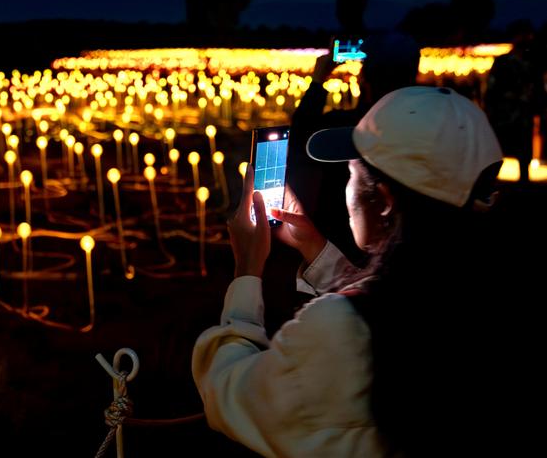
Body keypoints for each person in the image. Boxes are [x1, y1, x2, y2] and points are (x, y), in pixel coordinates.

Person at [192, 86, 504, 457]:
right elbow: (397, 297)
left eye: (351, 173)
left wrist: (246, 269)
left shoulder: (339, 332)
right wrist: (316, 250)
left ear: (384, 201)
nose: (347, 186)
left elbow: (229, 396)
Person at [289, 31, 420, 262]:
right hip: (407, 244)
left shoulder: (346, 126)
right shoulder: (427, 126)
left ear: (364, 78)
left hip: (342, 246)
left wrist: (319, 79)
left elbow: (300, 135)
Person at [485, 19, 544, 184]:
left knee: (524, 153)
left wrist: (537, 107)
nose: (527, 38)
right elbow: (492, 90)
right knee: (498, 152)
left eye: (528, 35)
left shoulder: (533, 63)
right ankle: (491, 184)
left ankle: (523, 185)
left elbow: (539, 91)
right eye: (523, 35)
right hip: (504, 115)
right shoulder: (503, 62)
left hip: (524, 116)